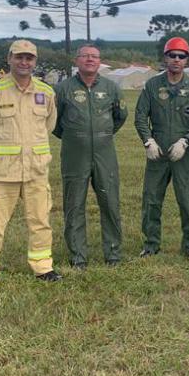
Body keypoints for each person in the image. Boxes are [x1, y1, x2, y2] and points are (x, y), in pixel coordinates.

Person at [0, 40, 62, 291]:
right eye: (19, 57)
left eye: (29, 58)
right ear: (9, 59)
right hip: (2, 172)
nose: (24, 62)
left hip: (36, 171)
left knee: (40, 221)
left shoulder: (47, 92)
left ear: (35, 62)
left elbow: (49, 125)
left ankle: (43, 267)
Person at [52, 44, 128, 269]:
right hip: (74, 154)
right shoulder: (62, 89)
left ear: (99, 61)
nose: (90, 60)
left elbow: (120, 117)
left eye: (94, 56)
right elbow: (53, 122)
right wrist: (74, 137)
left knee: (110, 202)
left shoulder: (111, 88)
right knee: (74, 203)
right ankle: (78, 256)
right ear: (77, 61)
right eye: (85, 56)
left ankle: (113, 253)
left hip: (105, 153)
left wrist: (101, 135)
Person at [134, 37, 189, 259]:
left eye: (181, 56)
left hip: (183, 153)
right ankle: (151, 244)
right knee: (151, 198)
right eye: (172, 55)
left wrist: (186, 140)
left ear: (187, 60)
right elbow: (140, 116)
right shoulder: (152, 85)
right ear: (165, 58)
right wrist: (148, 141)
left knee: (188, 199)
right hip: (157, 152)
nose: (176, 60)